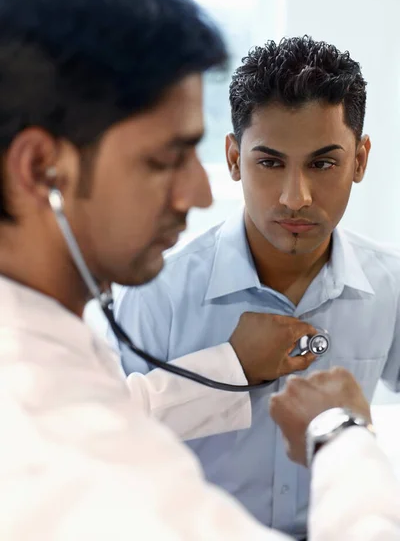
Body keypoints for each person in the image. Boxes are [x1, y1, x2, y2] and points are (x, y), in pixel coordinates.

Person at [0, 0, 399, 541]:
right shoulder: (42, 426)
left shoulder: (58, 344)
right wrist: (338, 433)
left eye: (323, 162)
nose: (203, 191)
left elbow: (127, 407)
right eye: (164, 159)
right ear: (41, 168)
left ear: (359, 159)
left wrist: (227, 370)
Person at [112, 36, 400, 538]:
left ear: (360, 159)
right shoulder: (156, 291)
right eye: (269, 163)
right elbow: (110, 446)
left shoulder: (391, 285)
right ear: (232, 158)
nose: (296, 197)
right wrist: (225, 369)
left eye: (323, 163)